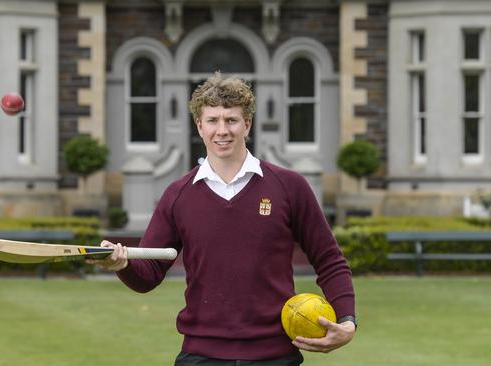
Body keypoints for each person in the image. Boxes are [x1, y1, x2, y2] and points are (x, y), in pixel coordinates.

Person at [89, 72, 356, 365]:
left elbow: (329, 259)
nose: (222, 130)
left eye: (231, 120)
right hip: (201, 355)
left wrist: (346, 320)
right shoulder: (178, 195)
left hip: (274, 355)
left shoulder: (289, 187)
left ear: (247, 125)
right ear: (199, 126)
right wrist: (123, 264)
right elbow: (148, 276)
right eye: (213, 120)